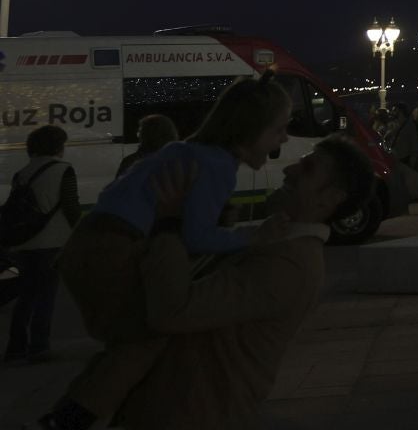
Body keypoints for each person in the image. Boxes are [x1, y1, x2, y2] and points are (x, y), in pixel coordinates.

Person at [38, 74, 291, 430]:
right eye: (279, 129)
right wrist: (253, 237)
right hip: (113, 250)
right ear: (251, 131)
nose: (284, 138)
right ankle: (67, 420)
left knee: (129, 342)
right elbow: (196, 236)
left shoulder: (186, 151)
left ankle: (75, 415)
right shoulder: (217, 165)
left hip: (89, 243)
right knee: (145, 339)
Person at [109, 136, 374, 428]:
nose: (289, 171)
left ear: (331, 197)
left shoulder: (288, 265)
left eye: (308, 168)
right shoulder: (278, 241)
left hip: (192, 411)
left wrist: (167, 224)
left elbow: (171, 311)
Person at [7, 125, 82, 363]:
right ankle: (39, 346)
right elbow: (71, 206)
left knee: (26, 296)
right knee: (45, 296)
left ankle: (16, 347)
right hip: (51, 241)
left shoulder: (23, 173)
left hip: (24, 242)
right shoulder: (63, 170)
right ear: (58, 146)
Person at [114, 116, 180, 180]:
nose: (137, 135)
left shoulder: (132, 163)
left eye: (139, 132)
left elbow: (118, 188)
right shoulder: (180, 160)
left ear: (145, 135)